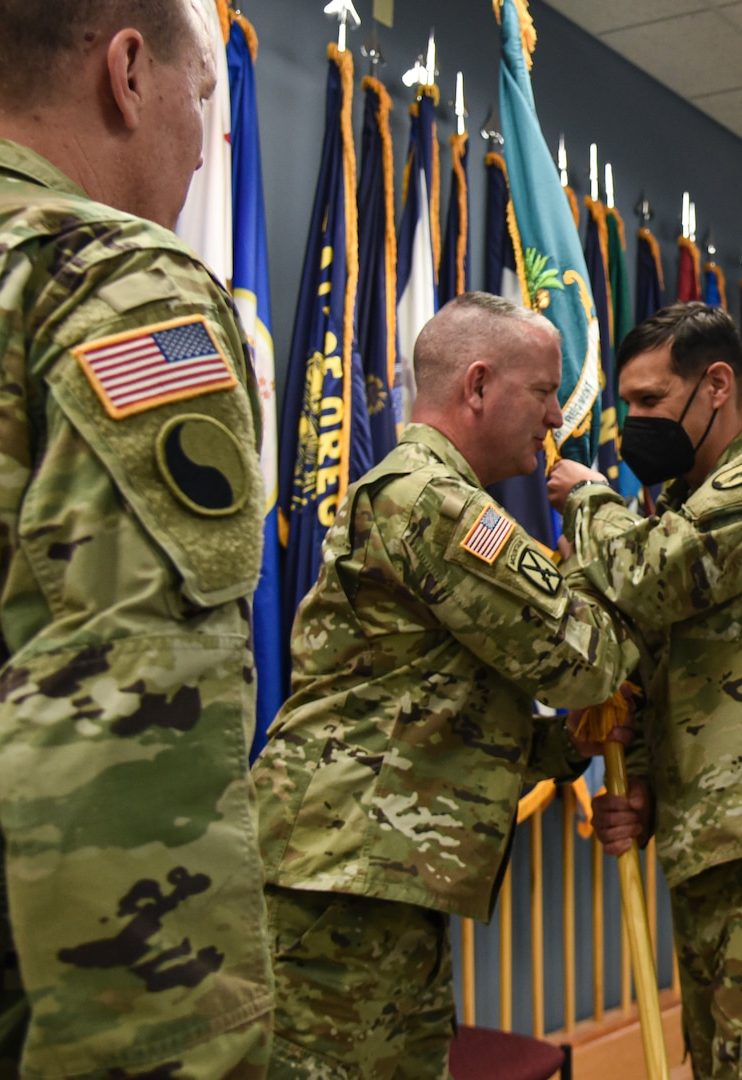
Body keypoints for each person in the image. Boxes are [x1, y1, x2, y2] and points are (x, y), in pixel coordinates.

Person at [0, 1, 275, 1077]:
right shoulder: (109, 285)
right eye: (202, 95)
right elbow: (124, 762)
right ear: (126, 73)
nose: (206, 136)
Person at [253, 292, 640, 1079]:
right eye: (542, 392)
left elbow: (440, 712)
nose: (557, 413)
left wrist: (567, 744)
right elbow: (583, 658)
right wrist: (609, 535)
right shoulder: (434, 503)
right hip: (345, 876)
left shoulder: (434, 499)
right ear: (477, 385)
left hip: (371, 869)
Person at [547, 303, 742, 1079]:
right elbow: (666, 667)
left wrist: (590, 501)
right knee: (722, 1060)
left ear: (715, 385)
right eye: (628, 406)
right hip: (709, 841)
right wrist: (650, 787)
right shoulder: (672, 512)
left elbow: (654, 582)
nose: (635, 424)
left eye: (651, 402)